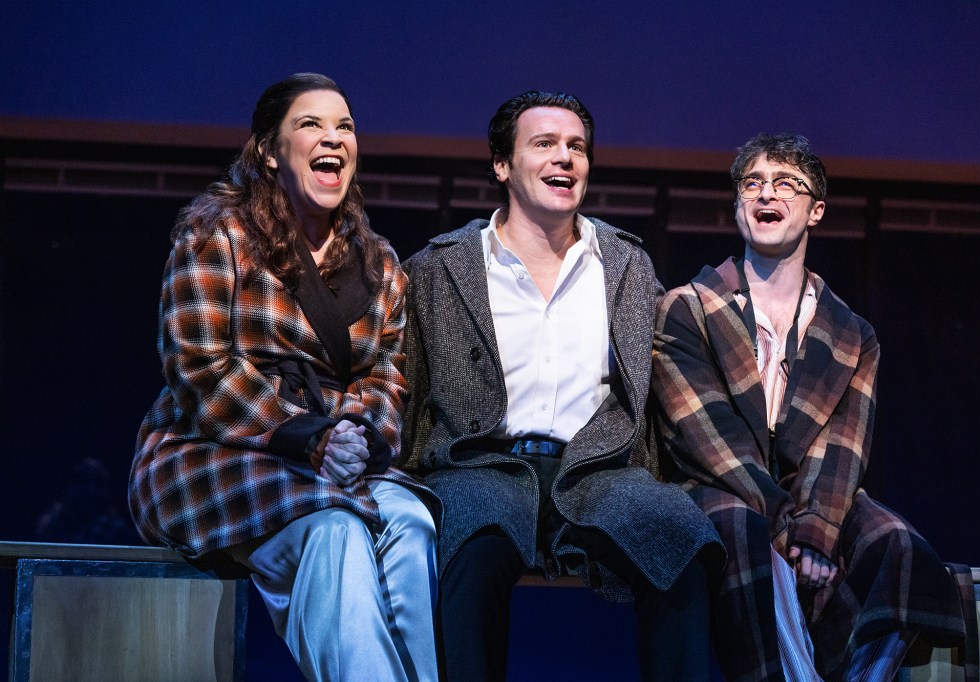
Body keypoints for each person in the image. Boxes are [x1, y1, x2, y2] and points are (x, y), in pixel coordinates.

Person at [400, 91, 724, 682]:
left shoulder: (625, 263)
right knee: (471, 546)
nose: (565, 158)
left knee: (681, 538)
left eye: (577, 147)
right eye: (544, 144)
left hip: (596, 469)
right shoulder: (438, 267)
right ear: (503, 165)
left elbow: (651, 386)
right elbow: (409, 389)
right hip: (483, 467)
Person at [127, 73, 439, 682]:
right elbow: (200, 370)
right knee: (336, 527)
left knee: (412, 522)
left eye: (345, 126)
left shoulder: (378, 262)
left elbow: (387, 375)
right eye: (311, 124)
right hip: (216, 447)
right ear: (270, 151)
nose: (334, 138)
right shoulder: (218, 236)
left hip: (338, 456)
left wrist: (353, 433)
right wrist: (305, 435)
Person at [651, 134, 966, 681]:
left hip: (809, 496)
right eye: (752, 183)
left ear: (815, 210)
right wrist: (783, 523)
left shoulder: (850, 333)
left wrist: (816, 527)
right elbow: (703, 432)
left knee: (898, 547)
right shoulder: (688, 308)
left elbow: (844, 444)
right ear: (737, 205)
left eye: (784, 184)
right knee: (743, 532)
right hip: (722, 489)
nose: (765, 194)